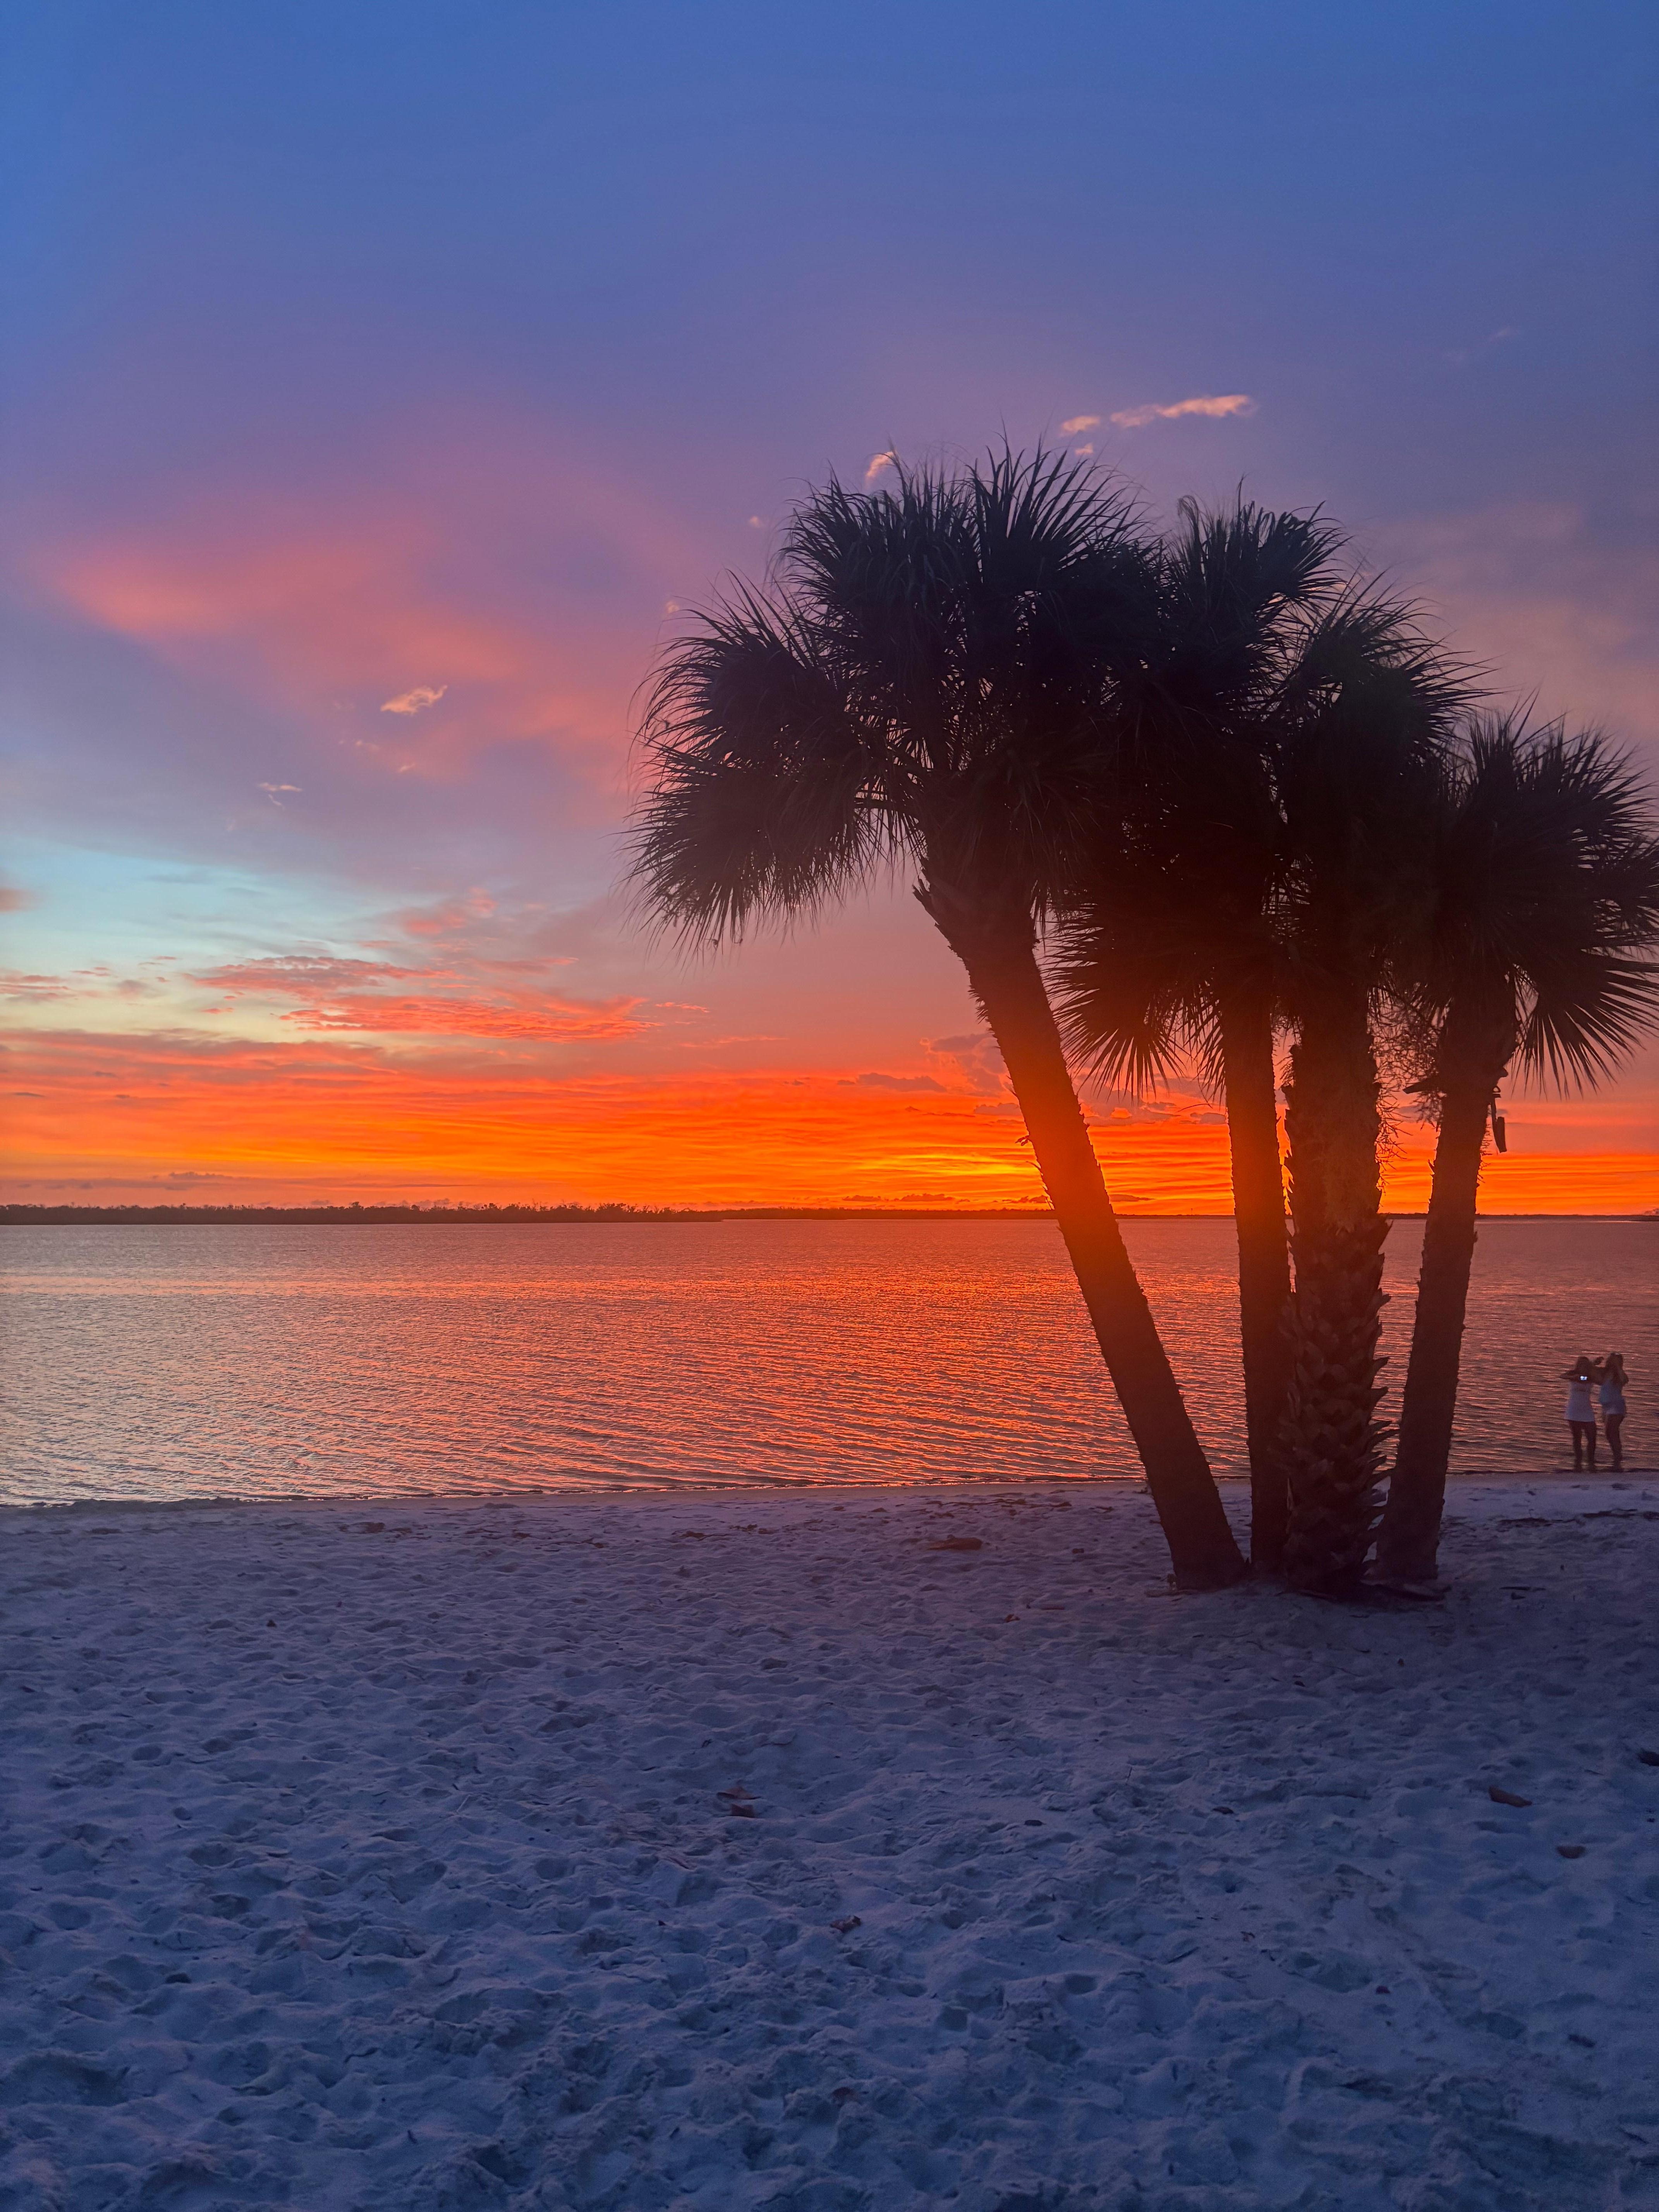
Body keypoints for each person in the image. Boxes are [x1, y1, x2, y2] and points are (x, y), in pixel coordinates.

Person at [1563, 1356, 1601, 1470]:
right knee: (1577, 1438)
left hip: (1586, 1411)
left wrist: (1592, 1366)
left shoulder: (1590, 1377)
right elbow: (1563, 1376)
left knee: (1592, 1437)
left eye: (1586, 1365)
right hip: (1574, 1411)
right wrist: (1575, 1376)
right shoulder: (1573, 1375)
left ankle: (1591, 1460)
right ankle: (1578, 1461)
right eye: (1582, 1365)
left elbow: (1591, 1379)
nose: (1584, 1367)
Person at [1599, 1353, 1629, 1473]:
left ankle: (1618, 1457)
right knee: (1608, 1433)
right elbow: (1587, 1376)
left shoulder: (1619, 1375)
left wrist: (1618, 1367)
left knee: (1613, 1431)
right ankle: (1617, 1456)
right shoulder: (1605, 1373)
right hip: (1607, 1407)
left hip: (1617, 1407)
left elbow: (1625, 1380)